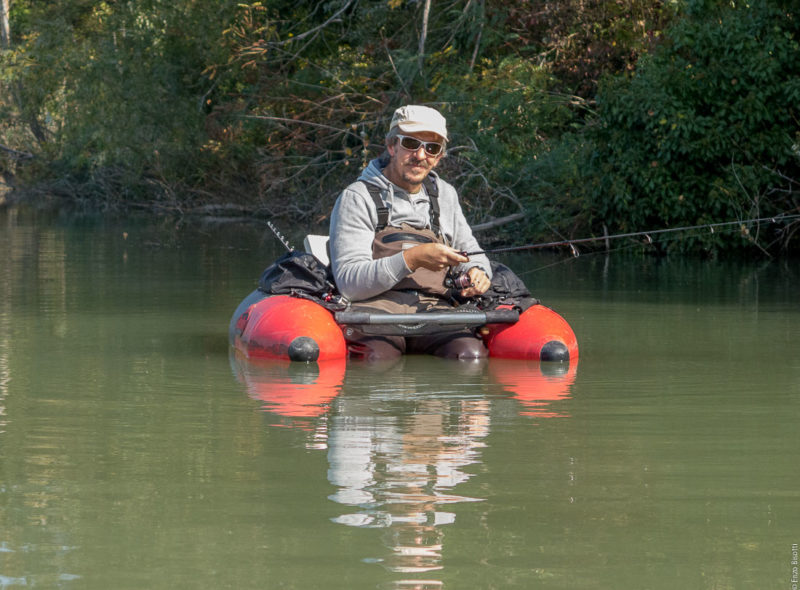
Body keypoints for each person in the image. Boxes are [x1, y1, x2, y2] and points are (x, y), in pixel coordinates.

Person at [329, 105, 493, 361]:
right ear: (392, 146)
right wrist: (411, 259)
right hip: (374, 310)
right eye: (410, 143)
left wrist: (478, 272)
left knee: (470, 355)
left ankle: (444, 403)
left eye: (432, 148)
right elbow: (349, 284)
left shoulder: (446, 194)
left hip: (435, 310)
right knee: (374, 357)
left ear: (439, 156)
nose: (420, 155)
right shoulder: (357, 197)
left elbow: (474, 253)